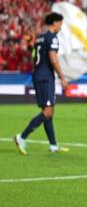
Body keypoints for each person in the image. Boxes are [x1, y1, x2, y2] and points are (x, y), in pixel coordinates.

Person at [15, 12, 69, 154]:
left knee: (49, 112)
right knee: (48, 111)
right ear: (55, 23)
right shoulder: (52, 38)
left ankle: (53, 146)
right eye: (61, 23)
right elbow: (53, 59)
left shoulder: (39, 38)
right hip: (46, 77)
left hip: (39, 75)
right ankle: (22, 137)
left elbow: (34, 57)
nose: (61, 27)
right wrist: (62, 77)